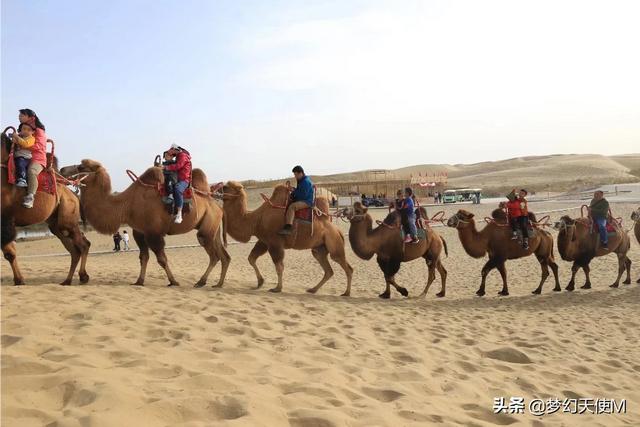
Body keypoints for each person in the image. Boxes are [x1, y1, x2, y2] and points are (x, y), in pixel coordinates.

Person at [18, 109, 47, 208]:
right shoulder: (23, 129)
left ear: (30, 117)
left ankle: (30, 197)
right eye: (19, 115)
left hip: (37, 159)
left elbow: (40, 146)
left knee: (31, 171)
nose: (19, 117)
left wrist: (23, 144)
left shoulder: (39, 131)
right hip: (22, 156)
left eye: (22, 115)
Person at [278, 166, 314, 235]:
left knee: (292, 207)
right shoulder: (302, 180)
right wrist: (293, 189)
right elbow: (299, 191)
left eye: (296, 174)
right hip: (304, 199)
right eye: (294, 175)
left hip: (307, 201)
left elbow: (303, 196)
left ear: (301, 173)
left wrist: (293, 191)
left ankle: (288, 227)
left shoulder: (305, 182)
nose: (295, 176)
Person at [163, 144, 192, 224]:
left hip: (184, 180)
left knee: (177, 189)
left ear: (174, 149)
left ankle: (179, 214)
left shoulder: (183, 156)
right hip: (177, 179)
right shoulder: (178, 156)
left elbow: (178, 166)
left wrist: (166, 167)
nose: (170, 153)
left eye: (171, 151)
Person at [11, 123, 36, 188]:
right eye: (24, 129)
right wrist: (13, 139)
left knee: (20, 164)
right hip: (16, 156)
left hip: (25, 158)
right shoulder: (20, 137)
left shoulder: (31, 139)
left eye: (29, 130)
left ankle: (22, 180)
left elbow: (25, 144)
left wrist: (16, 137)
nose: (26, 131)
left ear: (33, 132)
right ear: (20, 130)